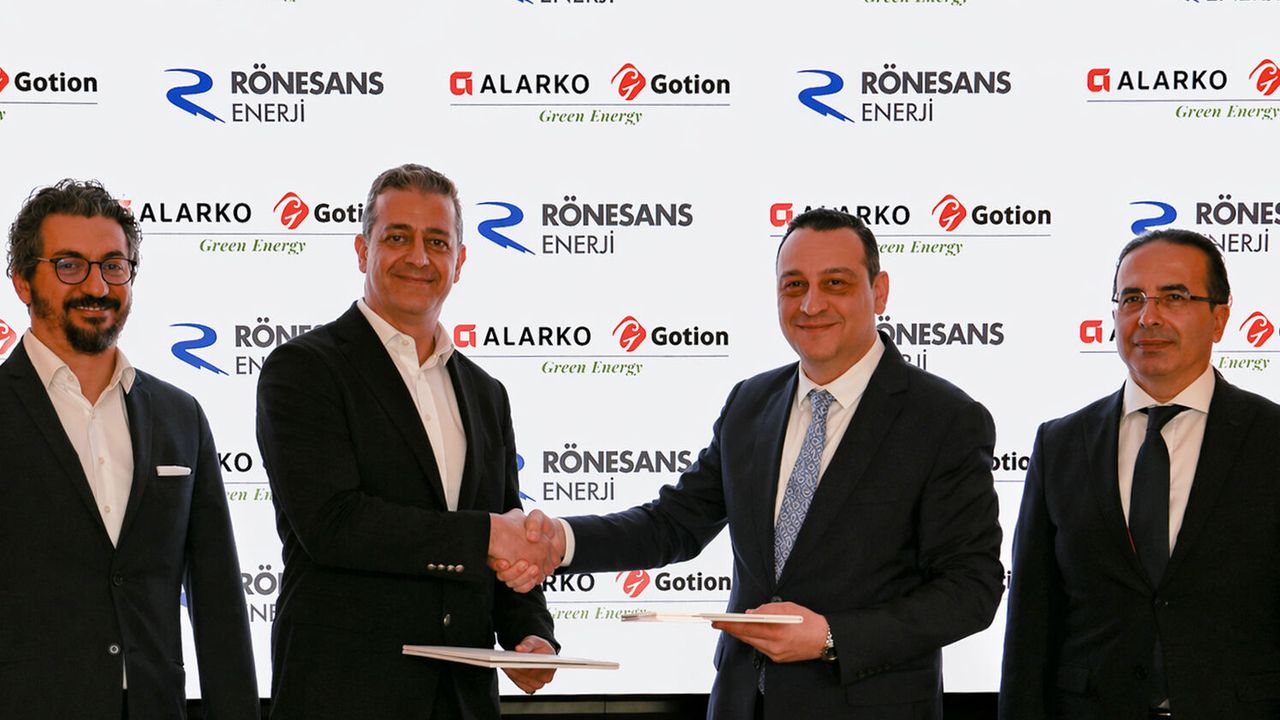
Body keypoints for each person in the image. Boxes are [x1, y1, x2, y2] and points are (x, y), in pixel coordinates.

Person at [500, 207, 1004, 719]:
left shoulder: (944, 419)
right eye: (794, 285)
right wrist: (559, 541)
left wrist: (832, 636)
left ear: (880, 291)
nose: (811, 304)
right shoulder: (750, 404)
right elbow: (672, 524)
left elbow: (972, 588)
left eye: (835, 283)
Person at [256, 163, 560, 720]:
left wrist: (530, 633)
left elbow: (505, 528)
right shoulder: (304, 370)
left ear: (459, 262)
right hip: (343, 700)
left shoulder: (486, 394)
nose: (418, 257)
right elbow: (333, 524)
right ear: (362, 250)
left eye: (437, 242)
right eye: (397, 237)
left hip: (463, 701)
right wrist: (488, 535)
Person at [0, 179, 258, 719]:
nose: (97, 285)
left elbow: (217, 601)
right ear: (23, 281)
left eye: (113, 266)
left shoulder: (180, 416)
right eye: (70, 265)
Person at [1000, 229, 1280, 719]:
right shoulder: (1061, 444)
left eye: (1174, 297)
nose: (1148, 317)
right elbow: (1031, 620)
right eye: (1132, 299)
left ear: (1219, 318)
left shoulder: (1271, 439)